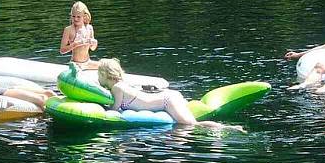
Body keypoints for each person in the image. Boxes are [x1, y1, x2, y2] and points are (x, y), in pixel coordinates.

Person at [97, 58, 244, 130]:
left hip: (166, 101)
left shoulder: (117, 88)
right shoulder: (122, 84)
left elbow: (115, 110)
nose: (98, 76)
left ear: (105, 74)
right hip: (167, 97)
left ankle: (228, 128)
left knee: (192, 125)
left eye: (99, 73)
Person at [60, 1, 99, 68]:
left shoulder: (89, 28)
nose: (75, 19)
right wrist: (76, 44)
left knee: (106, 66)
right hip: (75, 64)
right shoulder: (68, 30)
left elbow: (92, 48)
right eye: (73, 16)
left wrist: (95, 43)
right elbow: (62, 50)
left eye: (78, 17)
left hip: (88, 62)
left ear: (84, 16)